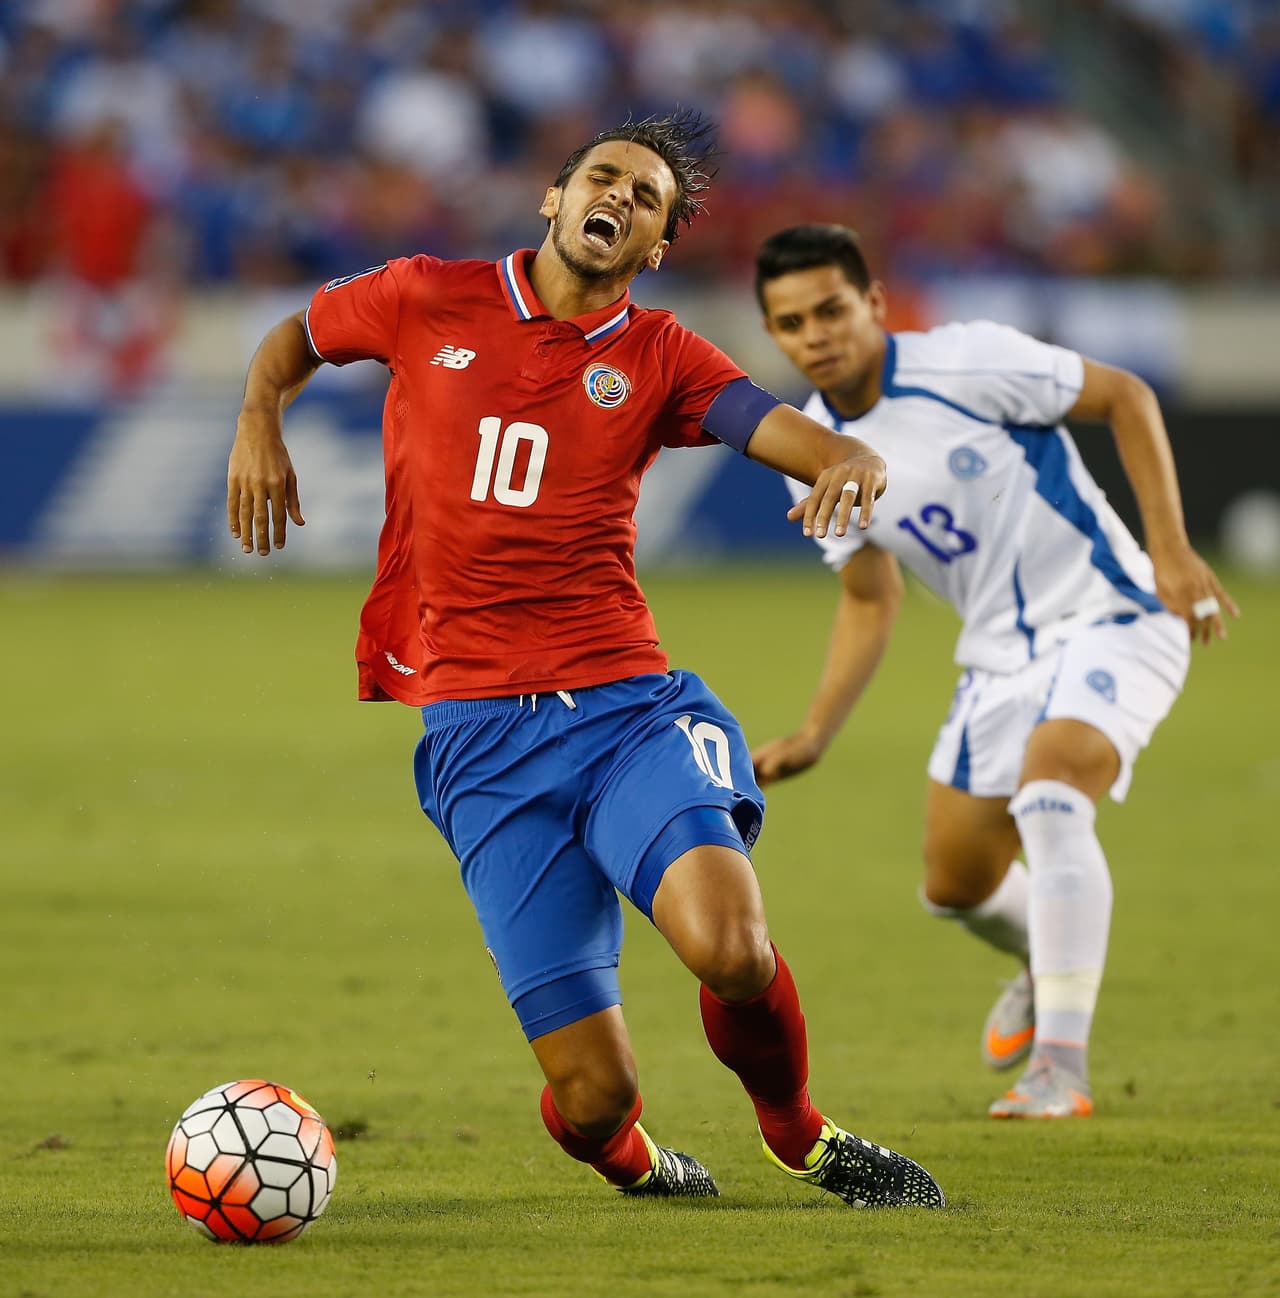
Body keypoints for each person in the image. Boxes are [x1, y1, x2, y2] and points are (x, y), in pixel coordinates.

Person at [226, 116, 944, 1207]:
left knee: (731, 945)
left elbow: (774, 426)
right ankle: (638, 1163)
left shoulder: (660, 355)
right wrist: (257, 418)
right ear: (553, 199)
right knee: (596, 1096)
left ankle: (799, 1133)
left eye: (647, 197)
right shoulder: (423, 294)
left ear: (655, 245)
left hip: (626, 708)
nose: (620, 197)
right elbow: (294, 335)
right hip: (478, 739)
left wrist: (847, 453)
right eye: (603, 177)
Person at [752, 223, 1237, 1119]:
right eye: (791, 323)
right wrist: (816, 731)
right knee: (955, 886)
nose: (815, 335)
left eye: (830, 310)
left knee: (1051, 798)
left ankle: (1060, 1067)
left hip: (1114, 614)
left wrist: (1170, 552)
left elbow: (1126, 396)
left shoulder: (967, 360)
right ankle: (1046, 958)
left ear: (874, 304)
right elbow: (870, 596)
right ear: (773, 335)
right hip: (999, 657)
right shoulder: (808, 451)